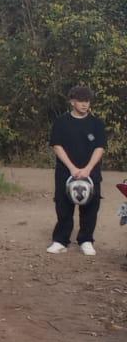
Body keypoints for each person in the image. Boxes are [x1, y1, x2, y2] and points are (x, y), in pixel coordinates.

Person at [48, 83, 107, 256]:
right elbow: (56, 146)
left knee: (90, 207)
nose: (85, 104)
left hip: (91, 173)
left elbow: (100, 147)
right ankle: (60, 240)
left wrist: (88, 168)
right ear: (72, 101)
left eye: (87, 101)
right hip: (66, 172)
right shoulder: (61, 122)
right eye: (81, 101)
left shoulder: (97, 124)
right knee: (63, 206)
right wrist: (72, 168)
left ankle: (86, 240)